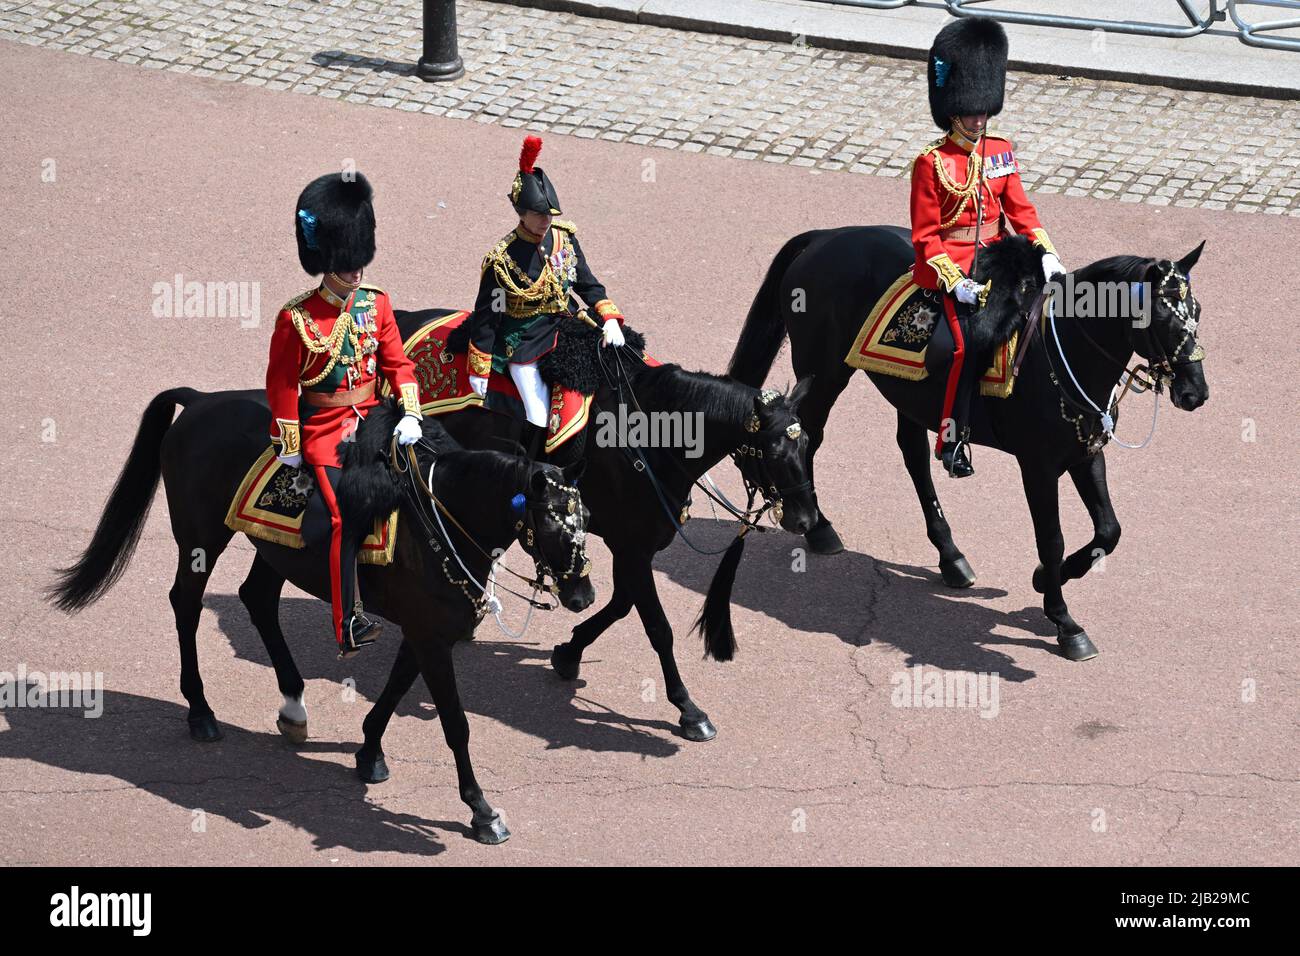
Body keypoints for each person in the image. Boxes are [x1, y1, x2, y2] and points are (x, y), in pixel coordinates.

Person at [266, 171, 424, 658]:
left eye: (360, 260)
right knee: (343, 517)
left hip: (377, 418)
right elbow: (282, 384)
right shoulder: (297, 318)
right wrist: (290, 447)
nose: (357, 271)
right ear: (327, 260)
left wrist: (412, 411)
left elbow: (398, 363)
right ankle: (346, 621)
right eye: (348, 263)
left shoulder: (376, 304)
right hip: (325, 431)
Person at [910, 18, 1065, 477]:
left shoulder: (999, 149)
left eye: (984, 112)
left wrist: (1046, 251)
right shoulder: (931, 163)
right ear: (952, 109)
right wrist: (954, 283)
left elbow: (1020, 209)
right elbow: (925, 236)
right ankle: (951, 438)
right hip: (955, 267)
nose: (980, 120)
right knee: (964, 346)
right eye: (972, 112)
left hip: (1004, 257)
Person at [465, 134, 626, 457]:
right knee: (537, 412)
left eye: (549, 214)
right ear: (521, 213)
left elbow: (587, 283)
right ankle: (532, 466)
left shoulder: (564, 239)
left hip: (565, 324)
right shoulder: (502, 260)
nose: (545, 221)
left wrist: (608, 318)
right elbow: (487, 316)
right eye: (538, 215)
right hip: (523, 338)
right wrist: (478, 366)